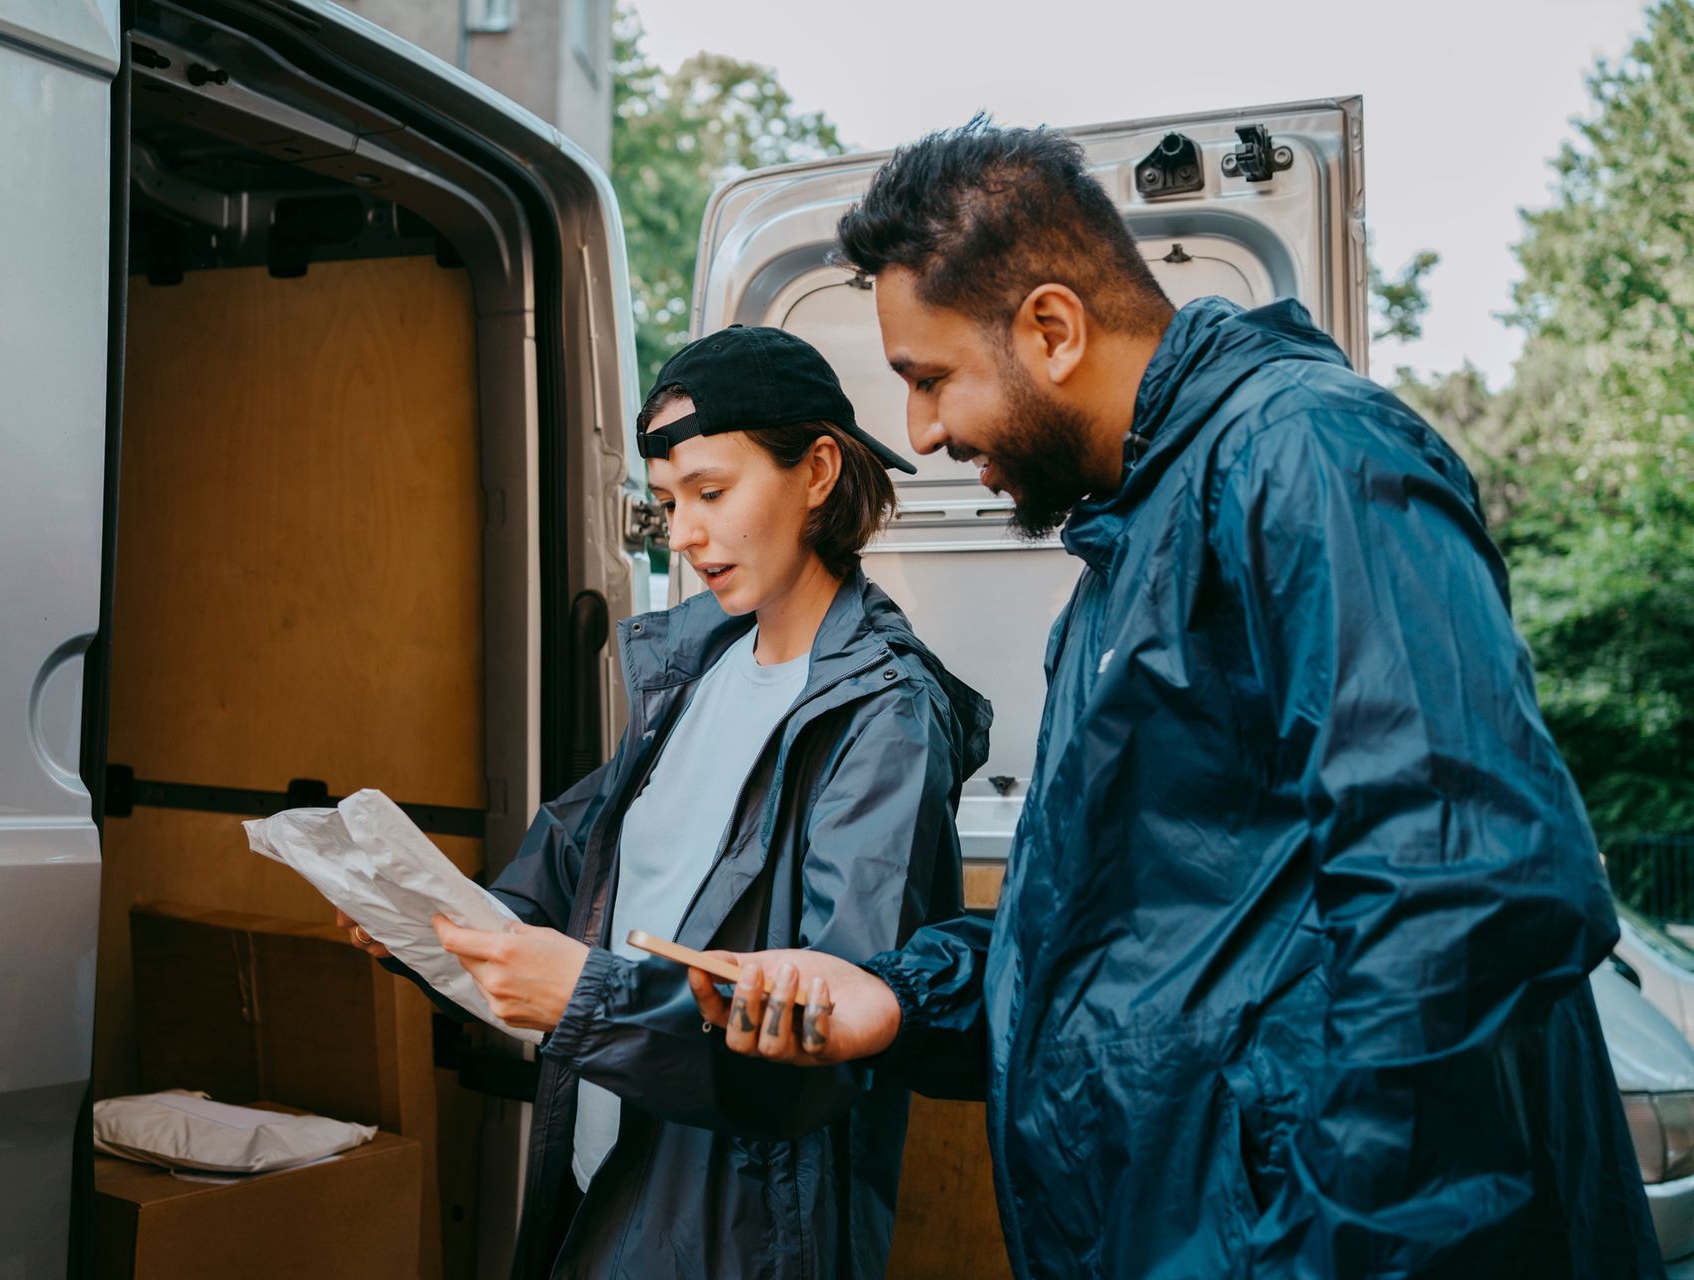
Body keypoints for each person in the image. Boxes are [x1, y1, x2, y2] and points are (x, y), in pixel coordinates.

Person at [692, 120, 1661, 1277]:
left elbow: (1468, 900)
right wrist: (898, 998)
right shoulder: (1124, 556)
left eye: (930, 377)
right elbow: (1127, 948)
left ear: (1052, 328)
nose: (922, 433)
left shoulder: (1309, 455)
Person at [341, 325, 991, 1279]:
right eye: (667, 502)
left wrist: (584, 995)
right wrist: (440, 921)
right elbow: (577, 860)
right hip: (607, 1159)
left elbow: (826, 1030)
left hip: (744, 1219)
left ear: (816, 473)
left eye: (712, 493)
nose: (682, 535)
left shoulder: (883, 712)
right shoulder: (698, 665)